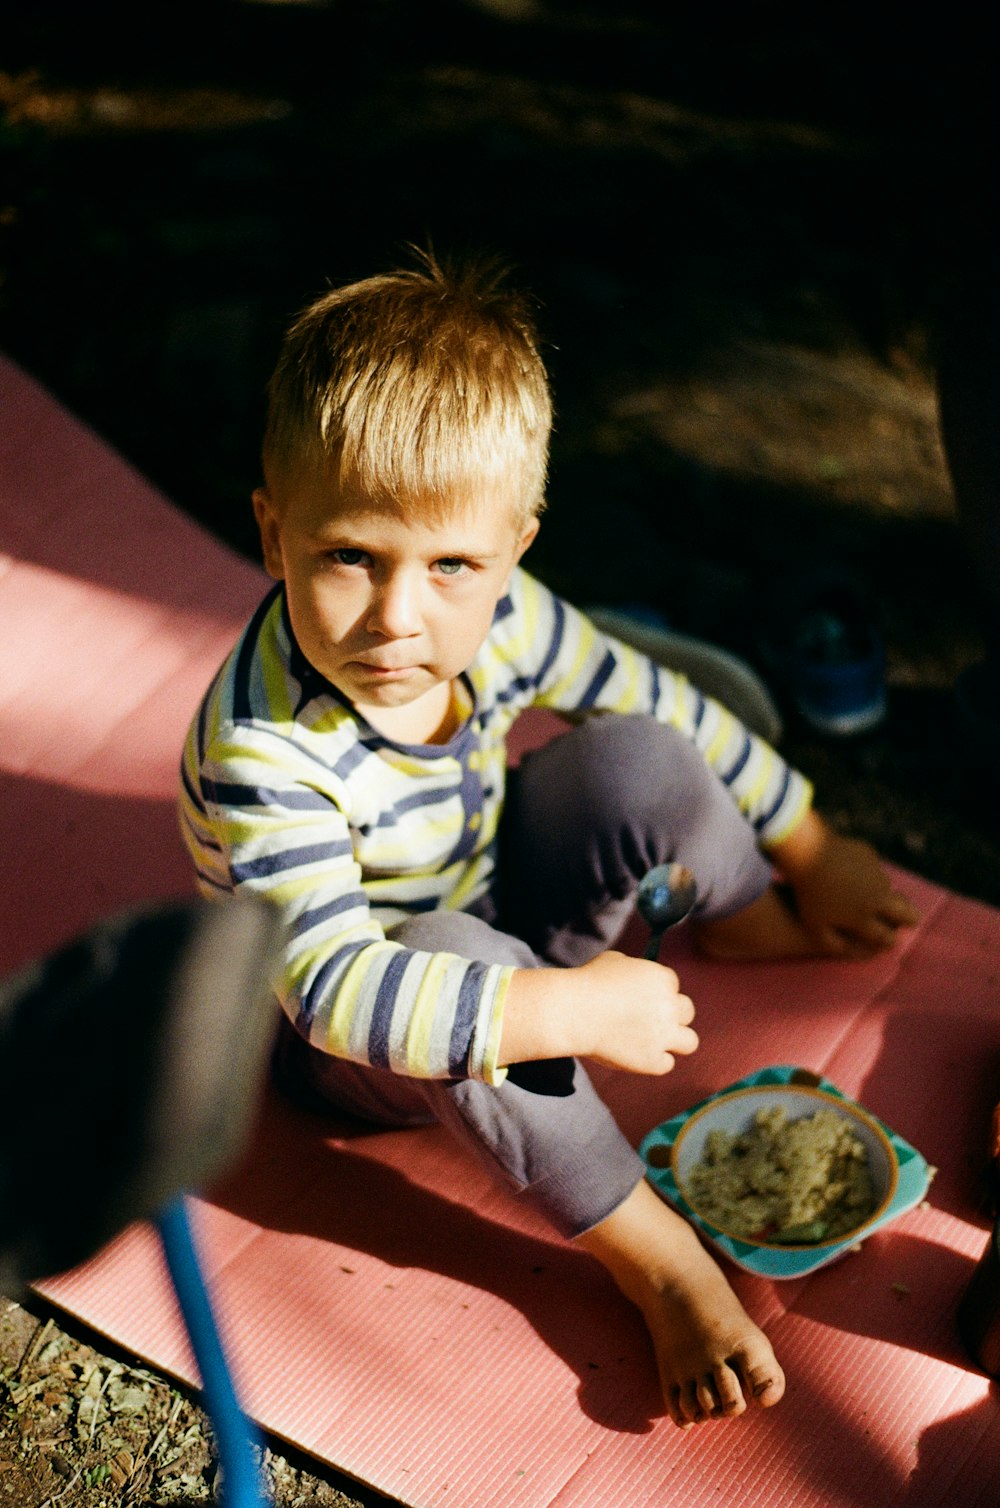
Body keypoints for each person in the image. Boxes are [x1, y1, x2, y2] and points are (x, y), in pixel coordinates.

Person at [178, 251, 919, 1428]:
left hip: (504, 903)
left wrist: (808, 834)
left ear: (513, 547)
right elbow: (332, 990)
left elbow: (664, 703)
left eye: (451, 566)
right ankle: (655, 1256)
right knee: (453, 948)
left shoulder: (507, 616)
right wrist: (559, 1011)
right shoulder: (261, 751)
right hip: (358, 1045)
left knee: (637, 750)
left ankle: (752, 924)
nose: (397, 617)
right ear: (274, 533)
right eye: (347, 555)